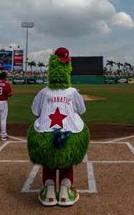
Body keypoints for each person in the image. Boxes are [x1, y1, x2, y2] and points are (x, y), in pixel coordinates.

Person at [27, 48, 89, 207]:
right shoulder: (73, 92)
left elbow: (35, 111)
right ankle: (65, 192)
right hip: (69, 133)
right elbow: (82, 110)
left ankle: (48, 192)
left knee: (48, 162)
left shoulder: (44, 92)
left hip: (45, 134)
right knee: (67, 161)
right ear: (68, 69)